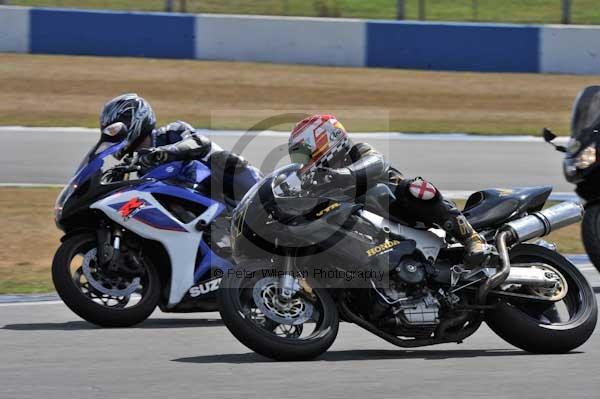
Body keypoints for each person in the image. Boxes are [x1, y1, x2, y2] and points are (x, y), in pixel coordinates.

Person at [287, 114, 492, 267]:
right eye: (298, 159)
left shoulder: (358, 151)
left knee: (415, 188)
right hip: (372, 240)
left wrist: (343, 174)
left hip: (404, 213)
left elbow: (377, 163)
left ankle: (471, 237)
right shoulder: (318, 182)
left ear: (326, 141)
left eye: (304, 155)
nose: (302, 163)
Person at [99, 93, 260, 203]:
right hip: (190, 212)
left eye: (117, 127)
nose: (115, 134)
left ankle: (261, 202)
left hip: (220, 189)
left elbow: (200, 143)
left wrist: (164, 153)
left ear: (135, 119)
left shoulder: (173, 131)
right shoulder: (132, 166)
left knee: (223, 159)